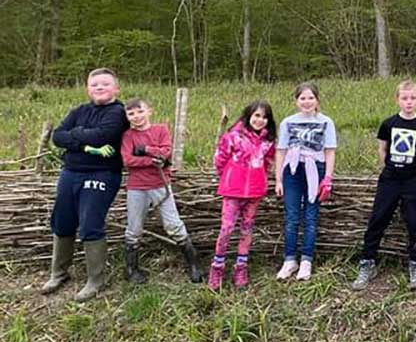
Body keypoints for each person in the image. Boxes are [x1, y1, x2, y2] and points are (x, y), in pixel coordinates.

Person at [42, 68, 129, 302]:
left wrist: (75, 135)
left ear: (116, 88)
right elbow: (58, 136)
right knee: (62, 220)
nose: (99, 88)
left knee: (90, 223)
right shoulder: (79, 110)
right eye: (94, 84)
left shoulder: (118, 112)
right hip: (70, 172)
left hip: (101, 173)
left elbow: (103, 136)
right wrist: (83, 142)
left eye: (105, 84)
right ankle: (59, 273)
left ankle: (95, 280)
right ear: (88, 88)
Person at [354, 81, 416, 292]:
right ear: (397, 99)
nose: (409, 102)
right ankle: (367, 263)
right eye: (404, 98)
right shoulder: (388, 123)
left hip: (413, 180)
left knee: (415, 222)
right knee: (378, 219)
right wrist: (387, 168)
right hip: (390, 179)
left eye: (413, 98)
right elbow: (382, 149)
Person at [120, 98, 202, 284]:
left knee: (174, 225)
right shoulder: (127, 136)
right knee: (134, 228)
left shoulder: (161, 130)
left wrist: (145, 149)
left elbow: (165, 152)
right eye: (131, 114)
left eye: (140, 111)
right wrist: (152, 160)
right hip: (137, 187)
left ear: (149, 111)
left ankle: (194, 264)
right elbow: (128, 161)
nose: (136, 117)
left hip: (160, 185)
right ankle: (132, 269)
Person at [210, 101, 277, 290]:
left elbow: (268, 164)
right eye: (256, 115)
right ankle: (217, 267)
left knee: (247, 229)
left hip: (255, 191)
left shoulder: (268, 142)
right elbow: (220, 160)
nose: (260, 120)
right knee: (227, 229)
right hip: (233, 190)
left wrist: (261, 180)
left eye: (264, 117)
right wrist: (230, 177)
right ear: (248, 116)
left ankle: (241, 266)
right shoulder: (233, 136)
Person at [275, 82, 337, 282]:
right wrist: (278, 179)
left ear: (317, 100)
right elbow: (281, 151)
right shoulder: (287, 122)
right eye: (303, 98)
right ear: (296, 101)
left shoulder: (326, 122)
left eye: (311, 97)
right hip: (292, 170)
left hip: (315, 169)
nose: (307, 102)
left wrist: (327, 177)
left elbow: (329, 151)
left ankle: (306, 260)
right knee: (292, 216)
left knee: (311, 216)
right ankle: (290, 259)